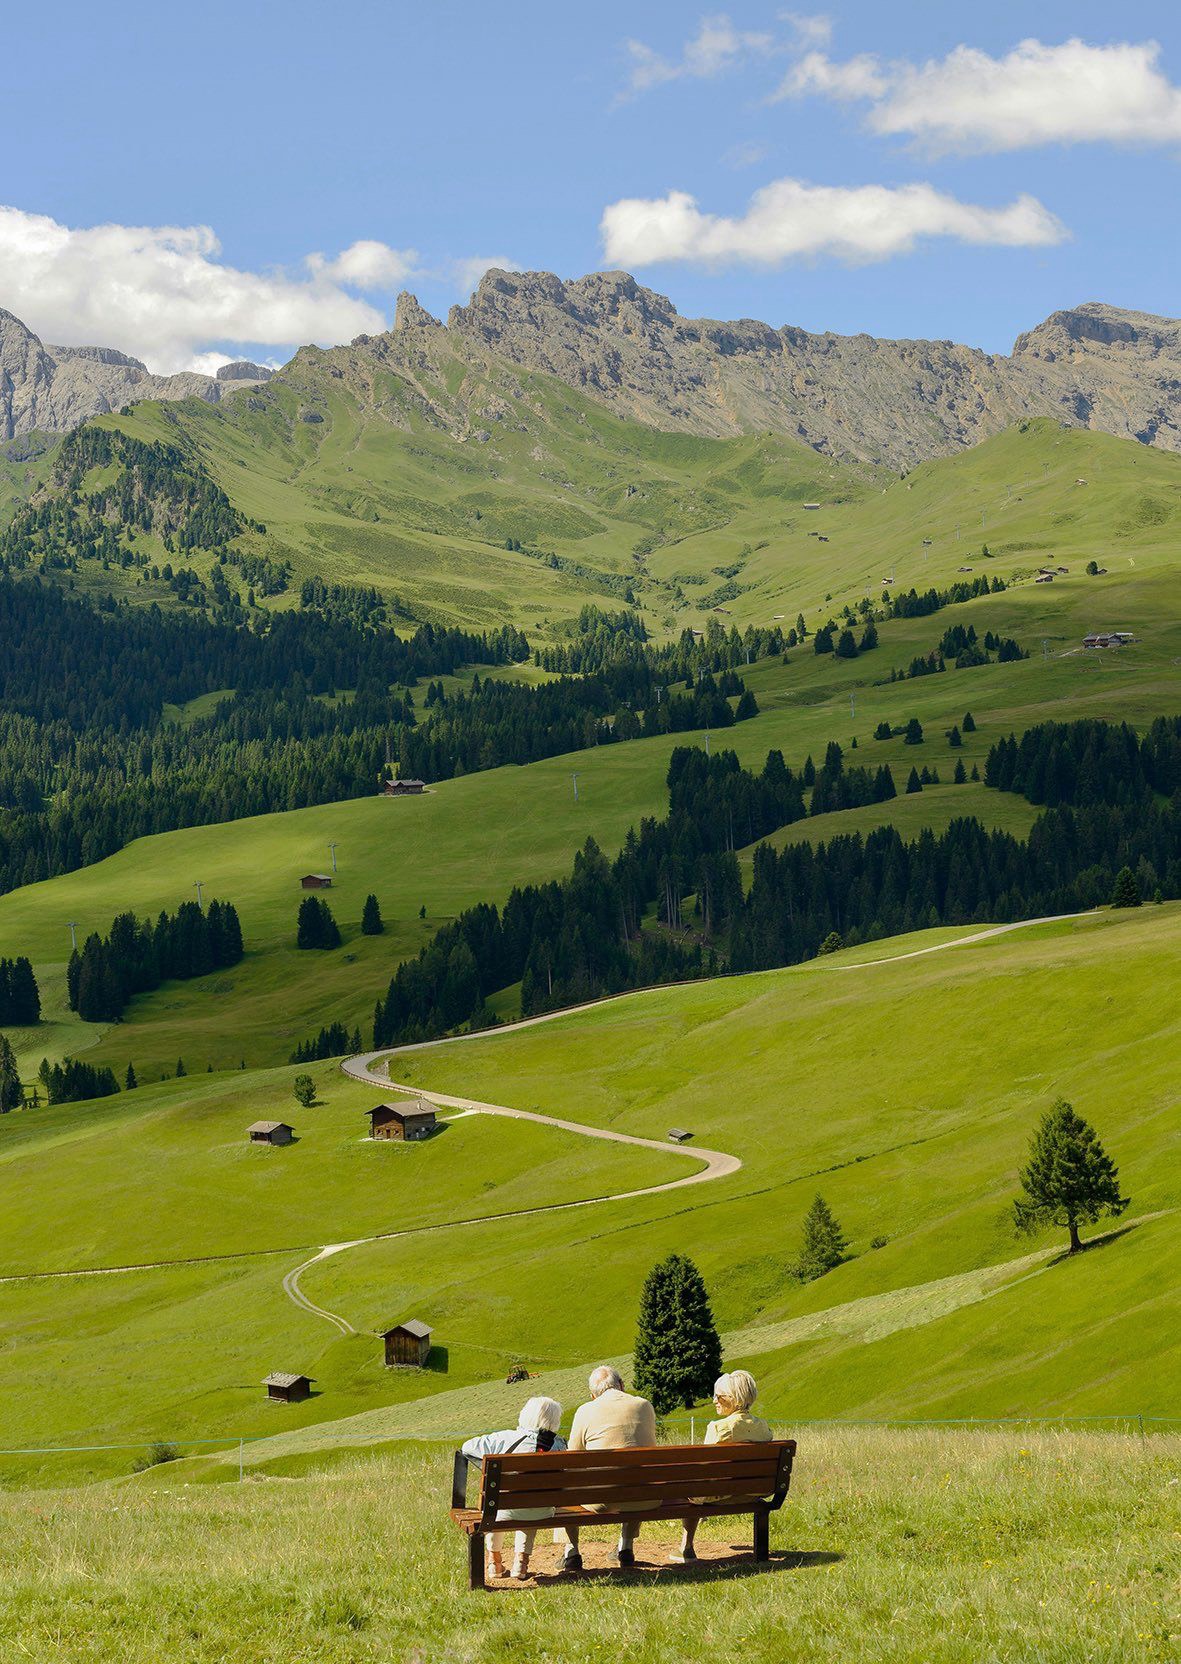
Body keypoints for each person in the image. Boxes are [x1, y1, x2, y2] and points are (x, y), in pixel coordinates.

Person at [555, 1365, 657, 1571]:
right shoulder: (644, 1405)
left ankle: (571, 1552)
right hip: (645, 1497)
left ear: (593, 1395)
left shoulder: (585, 1410)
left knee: (562, 1482)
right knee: (635, 1473)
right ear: (622, 1385)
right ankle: (626, 1547)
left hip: (601, 1500)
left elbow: (573, 1459)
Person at [672, 1369, 773, 1563]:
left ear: (734, 1398)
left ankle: (686, 1546)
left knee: (691, 1486)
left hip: (720, 1494)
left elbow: (704, 1468)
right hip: (755, 1491)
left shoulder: (719, 1428)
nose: (714, 1400)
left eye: (719, 1396)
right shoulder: (763, 1426)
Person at [461, 1396, 565, 1580]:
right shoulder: (560, 1444)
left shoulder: (503, 1438)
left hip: (501, 1511)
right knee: (533, 1497)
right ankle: (521, 1563)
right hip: (544, 1510)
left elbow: (467, 1447)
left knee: (498, 1501)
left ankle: (495, 1563)